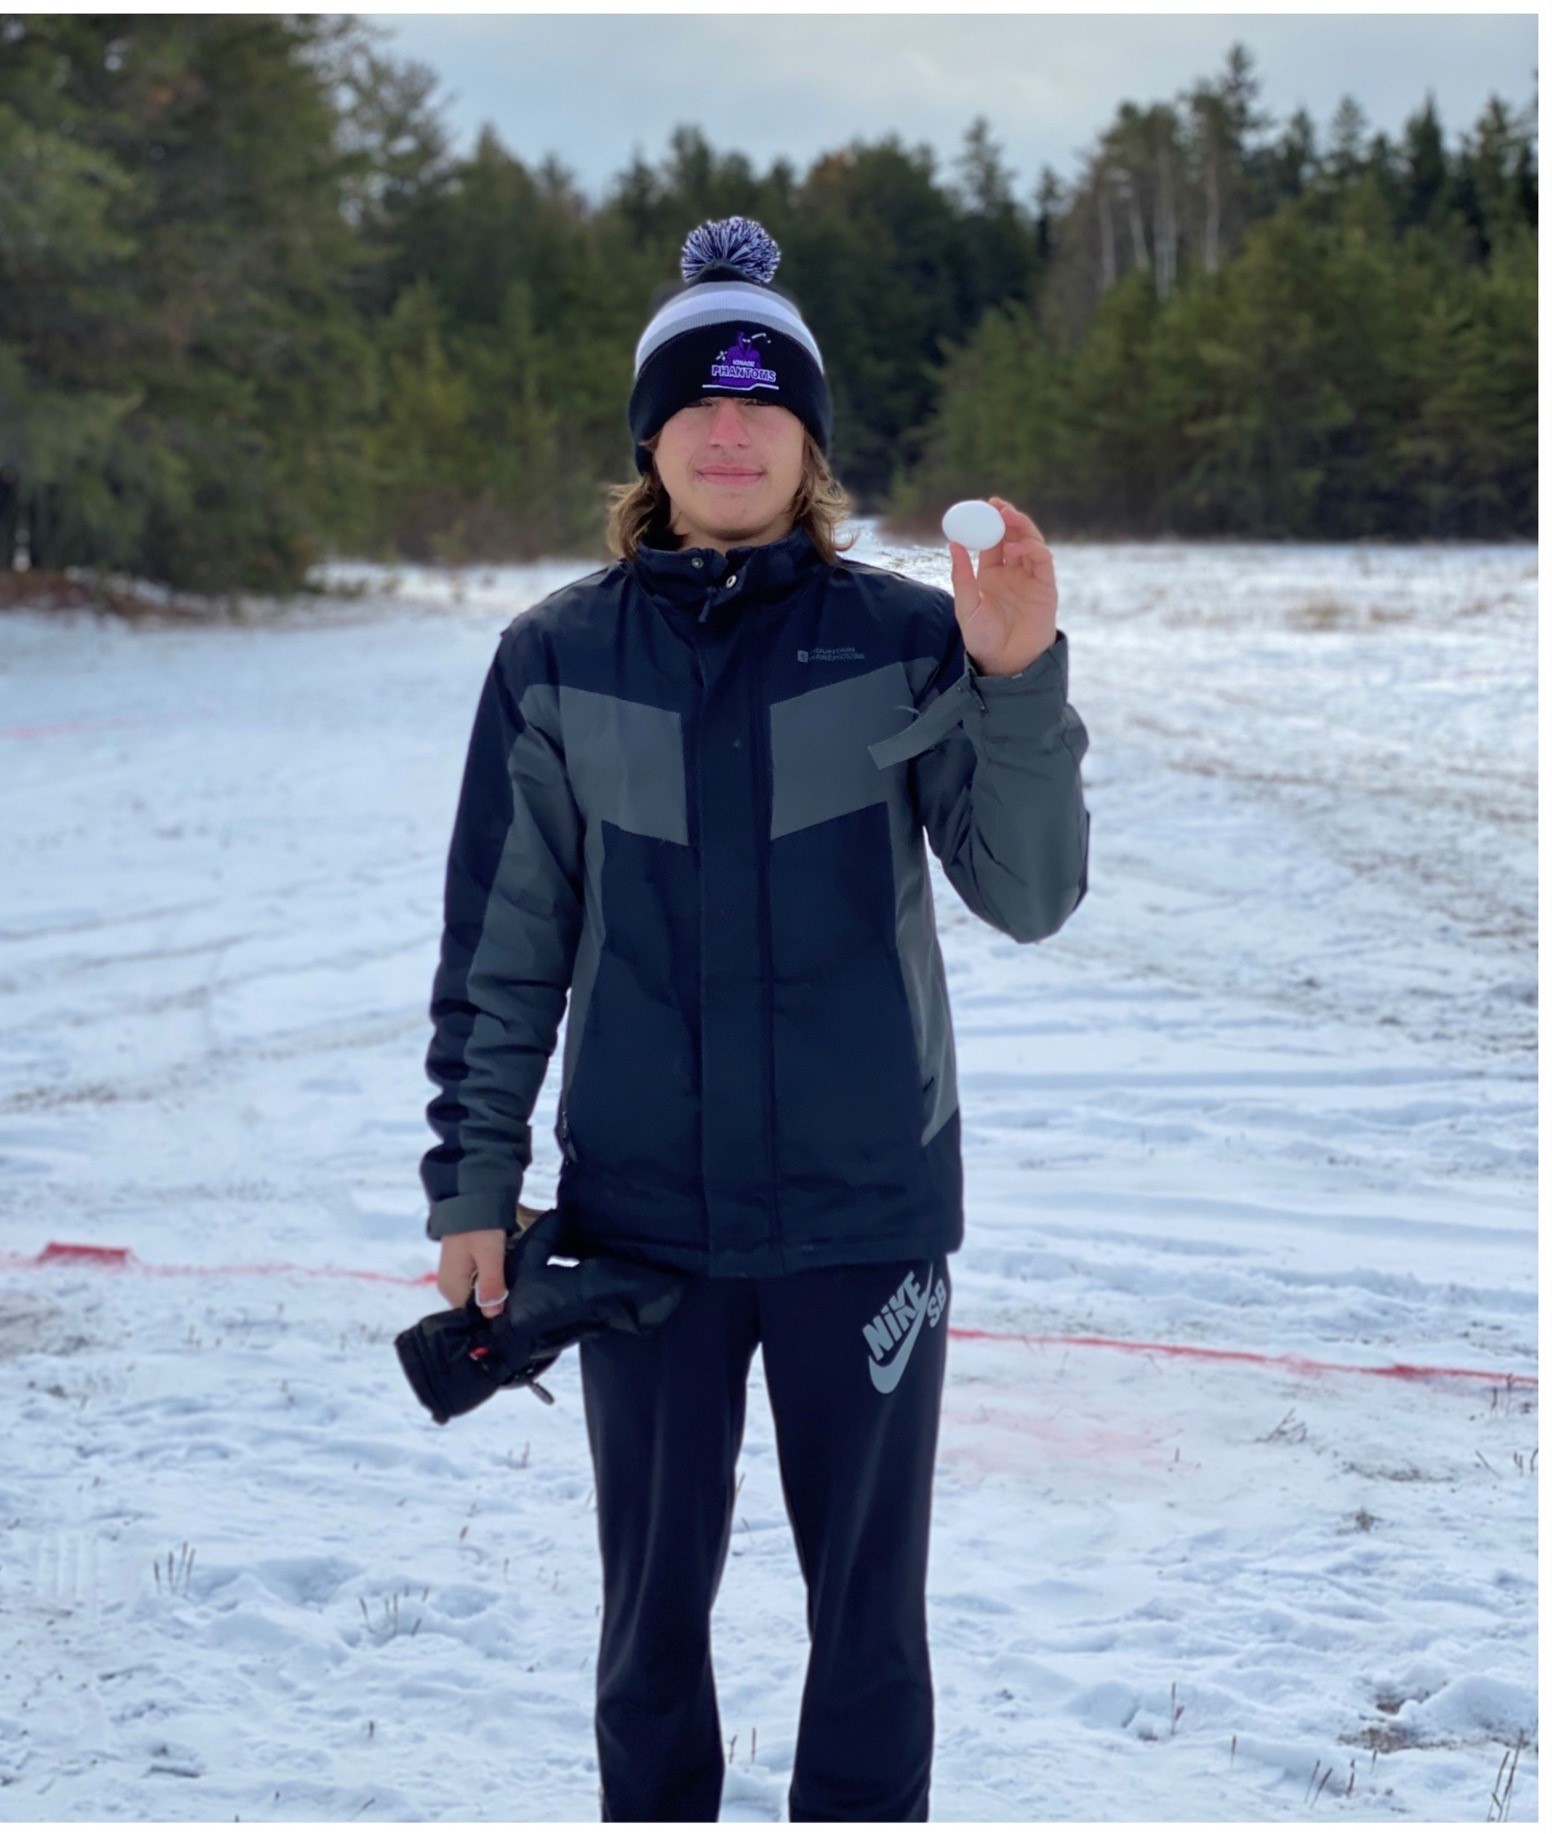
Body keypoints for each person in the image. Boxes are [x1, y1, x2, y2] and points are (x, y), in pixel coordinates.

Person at [421, 217, 1086, 1821]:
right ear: (651, 436)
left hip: (867, 1216)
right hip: (642, 1222)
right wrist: (472, 1189)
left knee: (869, 1625)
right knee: (649, 1618)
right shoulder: (556, 663)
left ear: (809, 441)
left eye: (765, 402)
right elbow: (504, 950)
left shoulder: (907, 639)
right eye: (699, 402)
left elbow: (1030, 890)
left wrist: (1021, 678)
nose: (733, 430)